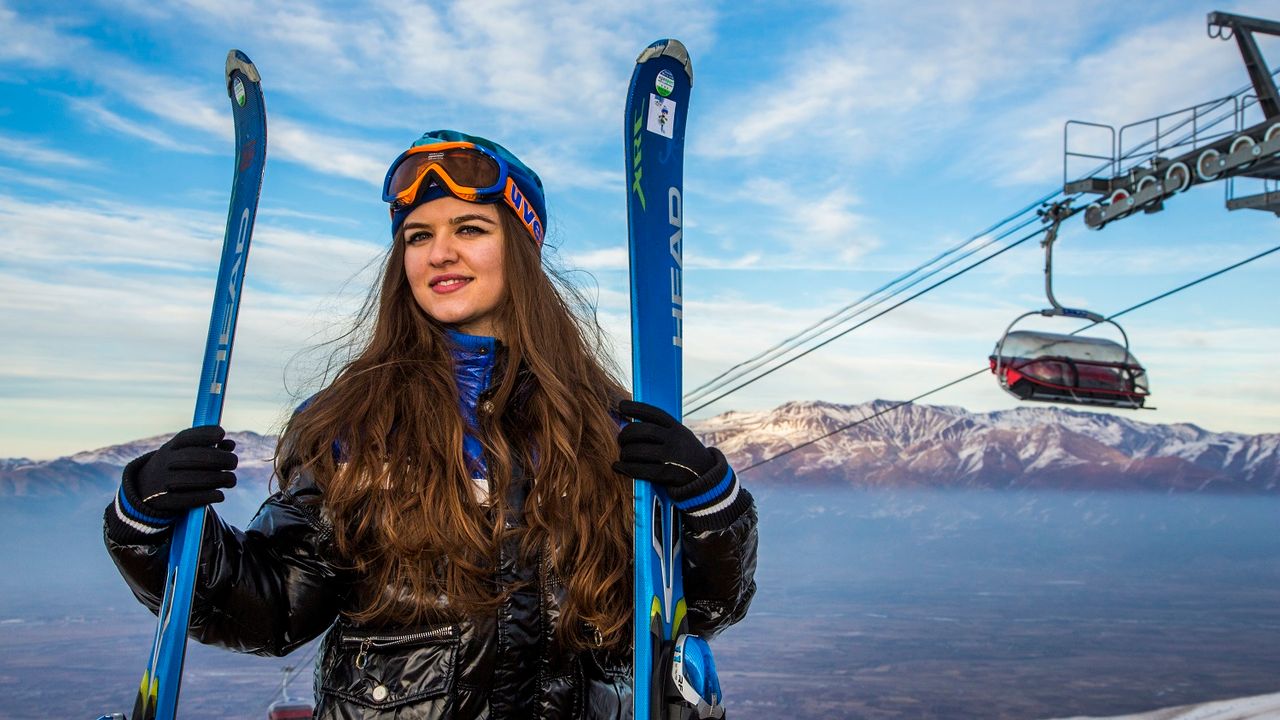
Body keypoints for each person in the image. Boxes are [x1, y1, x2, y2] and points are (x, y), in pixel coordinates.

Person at [104, 130, 758, 719]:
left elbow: (691, 611)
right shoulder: (355, 427)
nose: (440, 252)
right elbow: (275, 604)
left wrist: (709, 504)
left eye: (470, 228)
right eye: (419, 236)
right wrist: (150, 524)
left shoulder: (599, 425)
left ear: (520, 250)